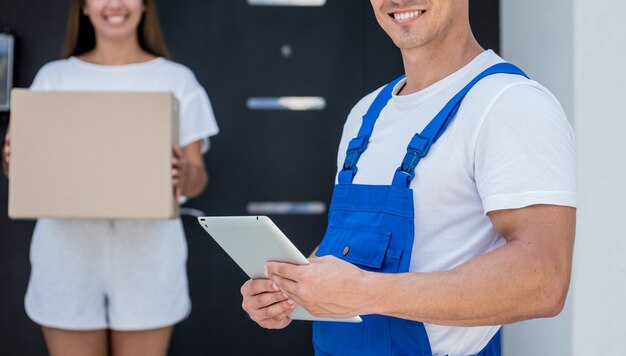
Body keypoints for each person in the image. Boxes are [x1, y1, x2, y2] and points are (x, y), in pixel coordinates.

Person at [240, 0, 576, 355]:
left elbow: (543, 279)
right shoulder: (367, 113)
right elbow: (352, 249)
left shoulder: (509, 103)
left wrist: (367, 292)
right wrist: (290, 289)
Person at [2, 0, 218, 355]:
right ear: (83, 7)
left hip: (148, 255)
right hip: (65, 253)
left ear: (145, 5)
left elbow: (198, 177)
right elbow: (24, 173)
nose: (115, 4)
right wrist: (14, 160)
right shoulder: (54, 76)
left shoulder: (176, 78)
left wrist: (183, 173)